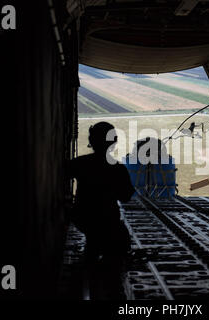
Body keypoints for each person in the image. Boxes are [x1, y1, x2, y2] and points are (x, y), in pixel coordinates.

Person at [68, 121, 135, 299]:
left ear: (92, 140)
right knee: (118, 247)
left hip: (85, 221)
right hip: (108, 223)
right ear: (113, 142)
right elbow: (126, 196)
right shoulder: (118, 169)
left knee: (93, 247)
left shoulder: (79, 163)